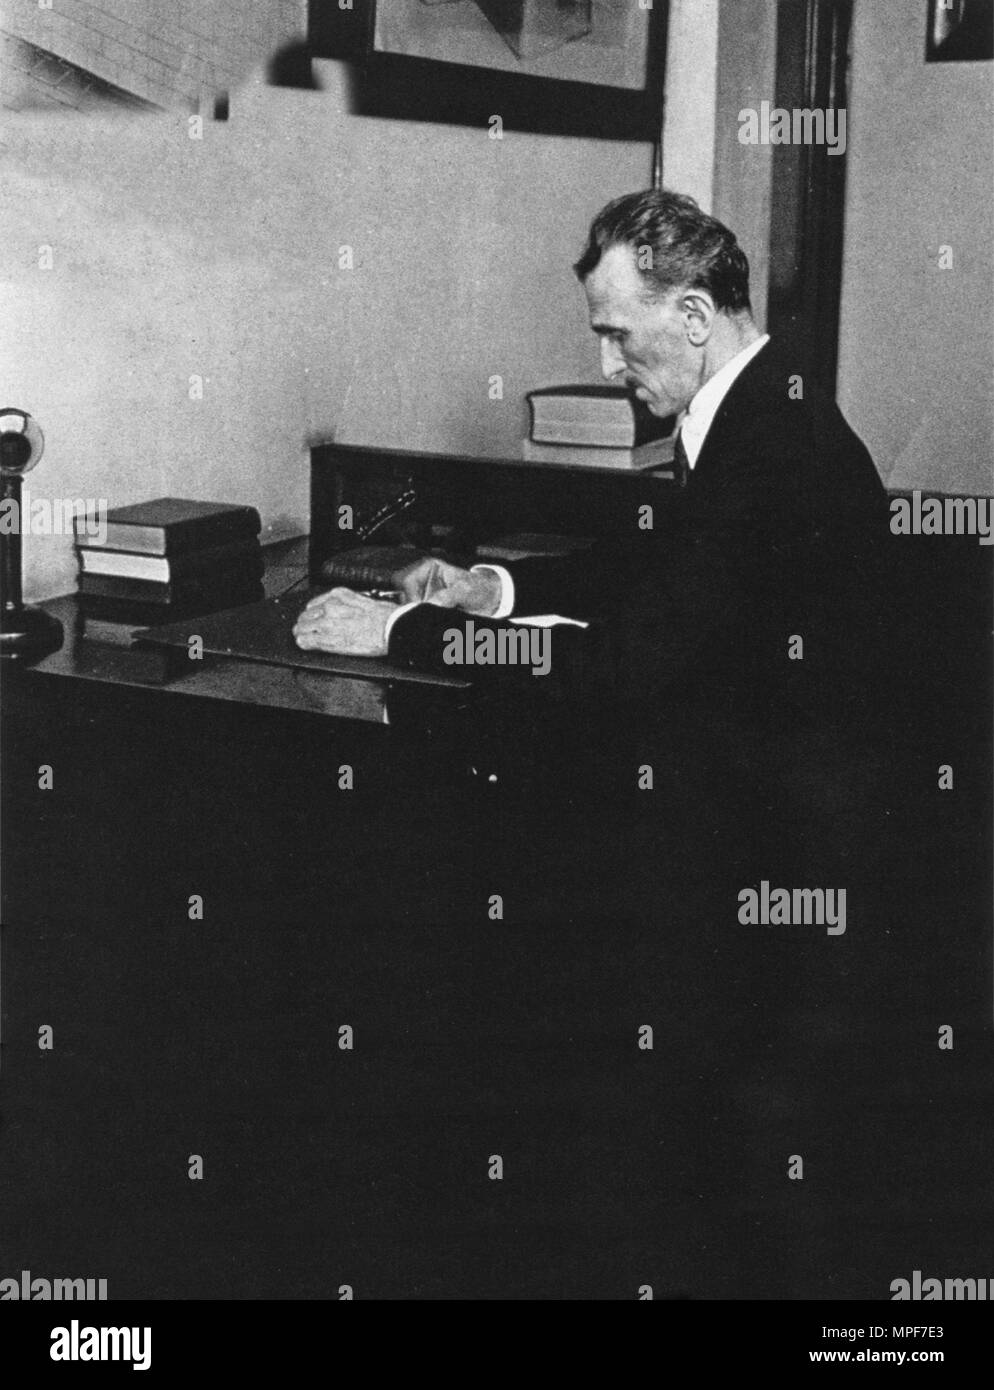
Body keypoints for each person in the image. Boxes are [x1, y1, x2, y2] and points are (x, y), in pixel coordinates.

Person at [293, 189, 888, 727]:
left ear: (696, 317)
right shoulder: (759, 405)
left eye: (618, 335)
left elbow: (621, 666)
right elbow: (650, 572)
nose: (607, 365)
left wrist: (401, 630)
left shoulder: (774, 447)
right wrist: (488, 589)